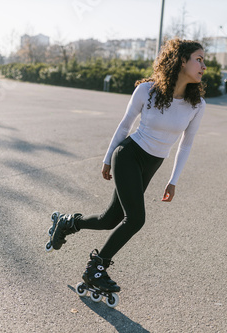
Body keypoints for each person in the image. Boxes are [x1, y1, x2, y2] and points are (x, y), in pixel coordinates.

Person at [48, 38, 207, 294]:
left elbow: (186, 144)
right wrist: (108, 157)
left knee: (109, 219)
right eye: (199, 59)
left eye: (204, 61)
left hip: (152, 163)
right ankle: (96, 268)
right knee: (135, 219)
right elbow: (125, 125)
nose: (204, 66)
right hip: (129, 155)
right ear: (181, 60)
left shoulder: (197, 105)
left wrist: (173, 180)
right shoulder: (147, 90)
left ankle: (68, 223)